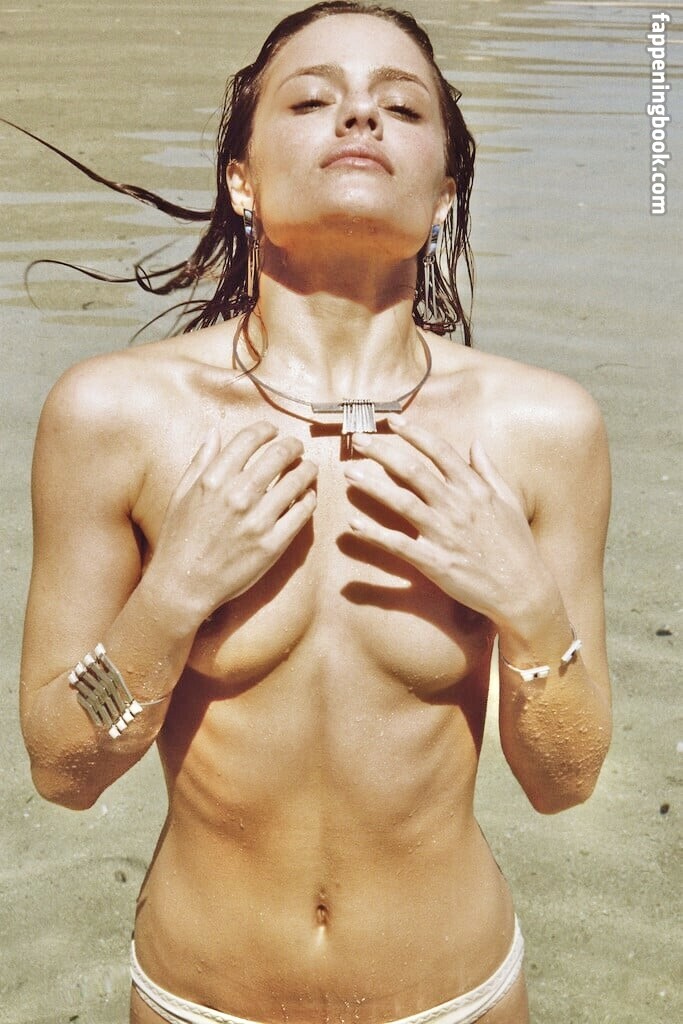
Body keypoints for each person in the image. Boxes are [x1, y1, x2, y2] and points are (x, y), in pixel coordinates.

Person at [19, 3, 612, 1022]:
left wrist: (528, 608)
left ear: (444, 193)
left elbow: (564, 781)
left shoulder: (539, 430)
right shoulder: (116, 415)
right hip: (202, 998)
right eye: (310, 100)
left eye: (401, 108)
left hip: (456, 995)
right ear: (241, 181)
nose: (360, 118)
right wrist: (170, 600)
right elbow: (63, 770)